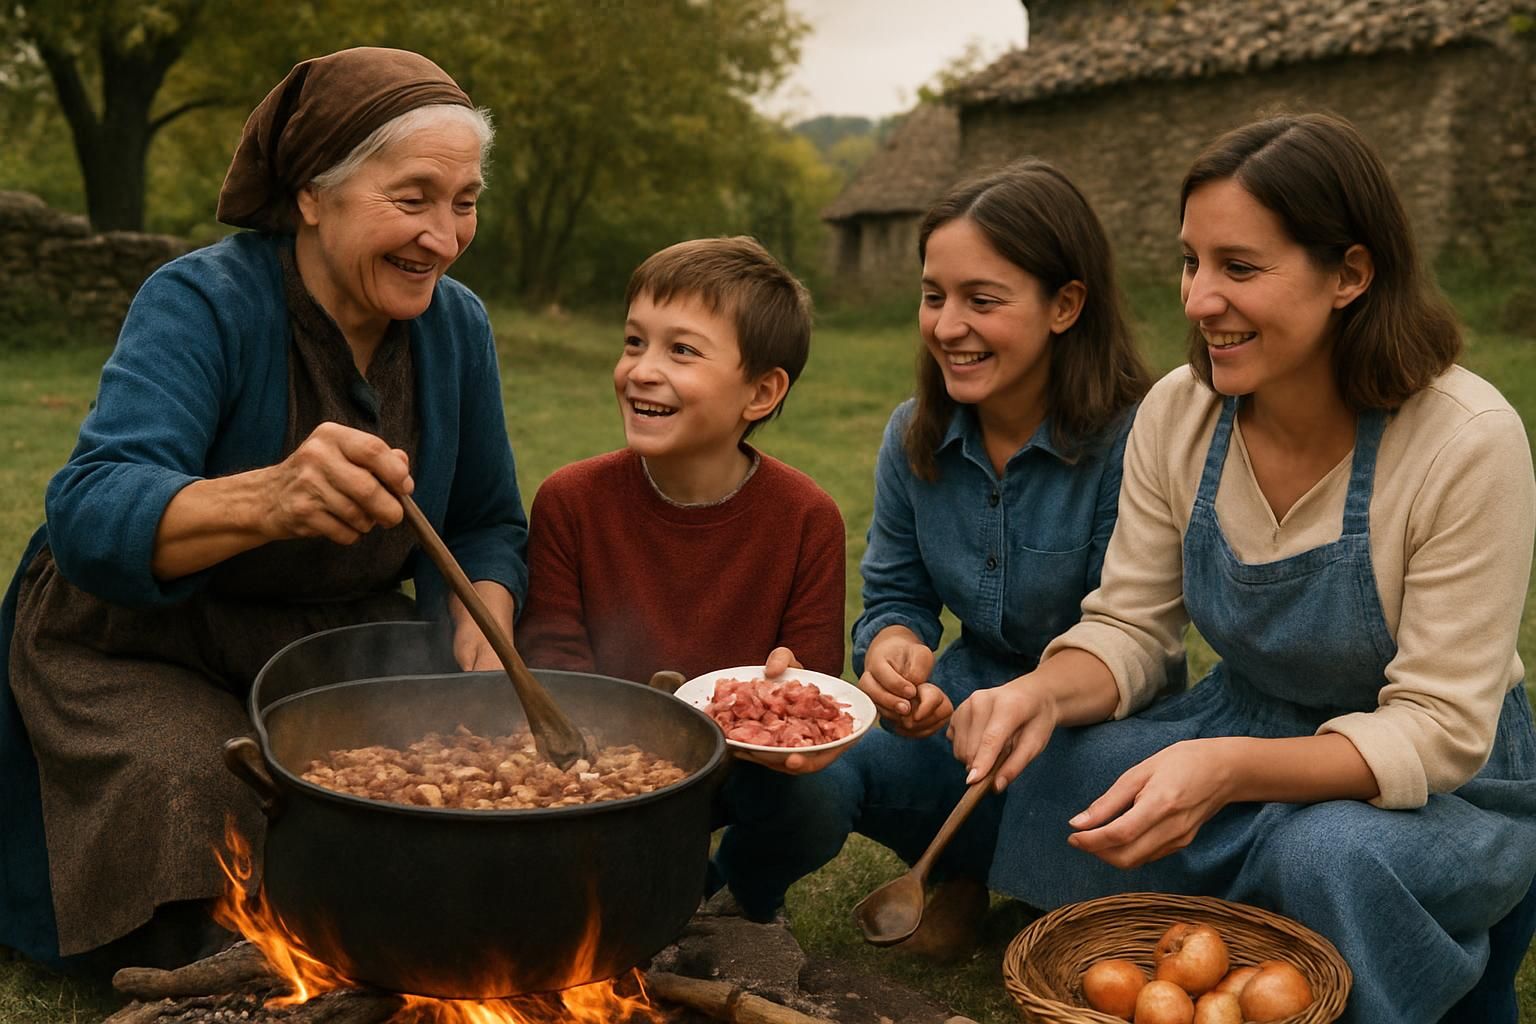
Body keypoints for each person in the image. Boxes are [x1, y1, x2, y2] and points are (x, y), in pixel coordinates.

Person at [950, 113, 1536, 1023]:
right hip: (1245, 715)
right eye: (1191, 262)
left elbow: (1440, 728)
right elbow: (1129, 625)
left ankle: (1428, 972)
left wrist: (1225, 769)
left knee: (1325, 855)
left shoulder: (1468, 440)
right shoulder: (1180, 412)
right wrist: (1042, 694)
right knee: (1066, 764)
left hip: (1439, 782)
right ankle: (1173, 977)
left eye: (1239, 267)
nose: (1196, 300)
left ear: (1350, 273)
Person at [0, 47, 528, 975]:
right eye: (412, 200)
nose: (443, 239)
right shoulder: (202, 301)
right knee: (211, 785)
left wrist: (484, 609)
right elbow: (92, 510)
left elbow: (486, 518)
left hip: (329, 639)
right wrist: (270, 496)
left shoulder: (457, 327)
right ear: (313, 197)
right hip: (143, 639)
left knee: (432, 792)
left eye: (465, 201)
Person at [712, 159, 1155, 939]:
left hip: (1093, 741)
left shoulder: (1136, 440)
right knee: (816, 778)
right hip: (956, 719)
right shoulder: (913, 432)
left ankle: (985, 875)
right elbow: (895, 593)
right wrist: (894, 651)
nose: (948, 325)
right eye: (933, 296)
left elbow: (1129, 633)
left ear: (1066, 304)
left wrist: (1033, 699)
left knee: (1083, 815)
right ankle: (719, 903)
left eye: (982, 301)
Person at [517, 236, 845, 686]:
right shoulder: (570, 503)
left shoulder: (808, 519)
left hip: (748, 755)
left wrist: (792, 684)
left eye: (682, 350)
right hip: (598, 750)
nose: (641, 371)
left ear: (761, 393)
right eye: (634, 342)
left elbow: (813, 688)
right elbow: (554, 674)